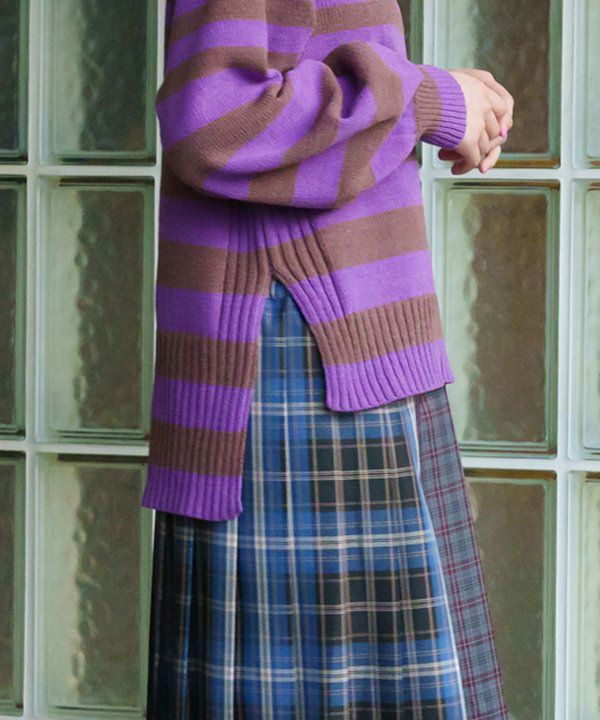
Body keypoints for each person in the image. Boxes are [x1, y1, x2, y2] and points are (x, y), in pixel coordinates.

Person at [142, 1, 514, 718]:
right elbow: (213, 121)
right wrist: (429, 98)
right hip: (299, 357)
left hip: (350, 351)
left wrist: (442, 97)